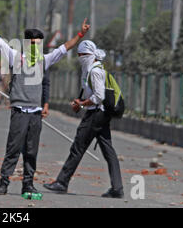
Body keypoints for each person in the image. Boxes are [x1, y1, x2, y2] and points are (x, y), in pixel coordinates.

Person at [0, 9, 90, 195]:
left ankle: (27, 184)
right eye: (33, 44)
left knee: (31, 151)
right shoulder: (15, 57)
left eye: (39, 44)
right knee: (13, 149)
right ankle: (3, 183)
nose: (36, 47)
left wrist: (80, 34)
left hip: (35, 114)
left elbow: (65, 48)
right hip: (19, 112)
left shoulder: (44, 60)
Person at [43, 40, 124, 199]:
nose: (80, 58)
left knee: (78, 147)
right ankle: (117, 188)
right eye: (79, 55)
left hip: (96, 115)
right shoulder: (91, 70)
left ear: (90, 55)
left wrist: (82, 104)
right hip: (99, 114)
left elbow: (99, 97)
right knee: (108, 151)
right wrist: (80, 103)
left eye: (83, 55)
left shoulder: (94, 71)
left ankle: (62, 182)